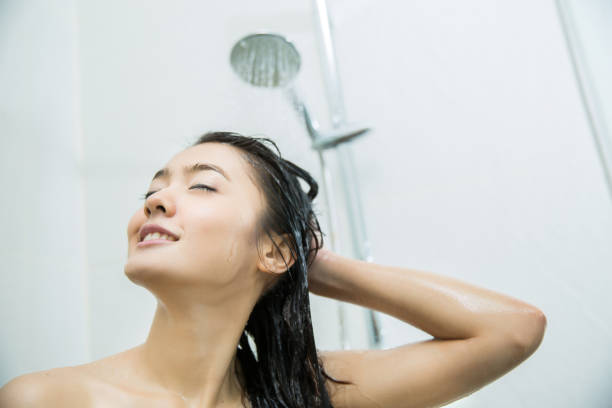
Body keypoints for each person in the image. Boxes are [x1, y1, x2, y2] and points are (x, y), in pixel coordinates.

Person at [0, 131, 546, 408]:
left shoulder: (305, 393)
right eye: (153, 188)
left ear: (277, 252)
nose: (157, 200)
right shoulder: (46, 400)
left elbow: (513, 329)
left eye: (202, 184)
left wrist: (312, 265)